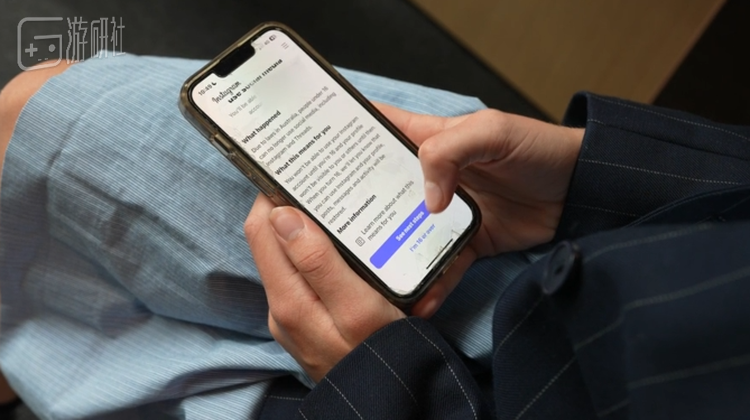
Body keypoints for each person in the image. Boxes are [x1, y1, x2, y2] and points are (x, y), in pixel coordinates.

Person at [1, 54, 749, 420]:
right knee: (38, 109)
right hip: (601, 231)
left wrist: (390, 380)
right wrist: (590, 176)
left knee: (30, 124)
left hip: (451, 393)